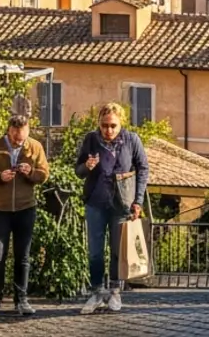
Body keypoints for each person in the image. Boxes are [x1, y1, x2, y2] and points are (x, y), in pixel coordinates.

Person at [73, 103, 148, 315]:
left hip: (121, 203)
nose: (108, 130)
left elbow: (143, 169)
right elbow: (78, 171)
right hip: (95, 202)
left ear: (121, 123)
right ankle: (97, 292)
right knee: (95, 252)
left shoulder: (131, 140)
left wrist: (138, 201)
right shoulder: (91, 139)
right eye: (104, 125)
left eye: (113, 125)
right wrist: (86, 167)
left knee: (117, 250)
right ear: (99, 123)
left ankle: (115, 291)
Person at [0, 114, 49, 318]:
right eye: (15, 137)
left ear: (28, 131)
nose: (18, 141)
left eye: (22, 137)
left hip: (26, 209)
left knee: (22, 256)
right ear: (9, 130)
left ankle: (21, 300)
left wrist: (30, 172)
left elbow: (44, 174)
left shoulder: (35, 147)